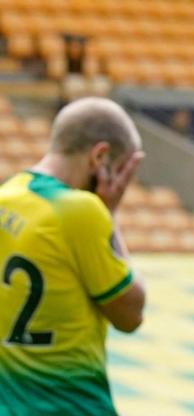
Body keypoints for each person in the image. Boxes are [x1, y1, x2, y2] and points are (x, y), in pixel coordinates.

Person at [0, 97, 145, 416]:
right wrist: (111, 215)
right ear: (100, 157)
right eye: (119, 173)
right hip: (72, 405)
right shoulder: (81, 210)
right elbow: (131, 313)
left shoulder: (7, 196)